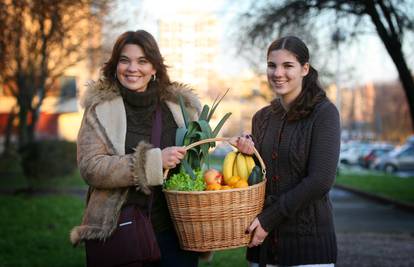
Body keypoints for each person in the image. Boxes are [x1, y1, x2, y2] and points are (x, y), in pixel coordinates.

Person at [70, 30, 202, 267]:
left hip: (176, 234)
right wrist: (152, 162)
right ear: (115, 65)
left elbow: (196, 157)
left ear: (154, 68)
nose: (133, 68)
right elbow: (91, 167)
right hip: (121, 230)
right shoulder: (100, 109)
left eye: (142, 61)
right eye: (125, 60)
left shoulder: (178, 108)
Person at [239, 36, 340, 267]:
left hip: (308, 247)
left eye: (288, 66)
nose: (277, 73)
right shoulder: (262, 118)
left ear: (305, 69)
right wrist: (246, 154)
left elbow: (320, 180)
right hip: (262, 248)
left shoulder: (324, 114)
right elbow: (259, 177)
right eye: (272, 65)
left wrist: (269, 219)